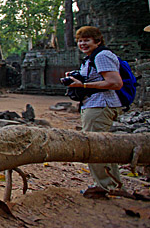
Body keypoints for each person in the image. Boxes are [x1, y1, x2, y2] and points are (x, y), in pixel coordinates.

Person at [66, 26, 123, 191]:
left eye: (87, 40)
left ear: (97, 41)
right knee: (102, 145)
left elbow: (115, 83)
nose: (83, 43)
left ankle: (106, 186)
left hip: (100, 105)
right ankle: (110, 184)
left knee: (95, 147)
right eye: (80, 41)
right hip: (94, 104)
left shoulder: (102, 55)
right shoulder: (91, 58)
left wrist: (83, 84)